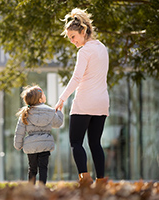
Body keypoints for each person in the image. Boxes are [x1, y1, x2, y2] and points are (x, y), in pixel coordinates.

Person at [54, 8, 109, 186]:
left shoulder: (84, 51)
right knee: (95, 143)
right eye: (70, 38)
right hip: (101, 104)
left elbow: (77, 78)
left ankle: (85, 180)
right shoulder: (102, 48)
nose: (72, 41)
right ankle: (101, 181)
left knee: (76, 142)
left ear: (83, 32)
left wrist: (62, 98)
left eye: (73, 37)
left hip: (84, 103)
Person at [14, 85, 64, 185]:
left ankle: (31, 188)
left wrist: (18, 145)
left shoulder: (25, 113)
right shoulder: (50, 111)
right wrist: (59, 112)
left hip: (31, 146)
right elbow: (58, 123)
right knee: (43, 168)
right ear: (40, 100)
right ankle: (42, 188)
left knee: (32, 168)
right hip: (45, 144)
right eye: (43, 94)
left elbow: (19, 131)